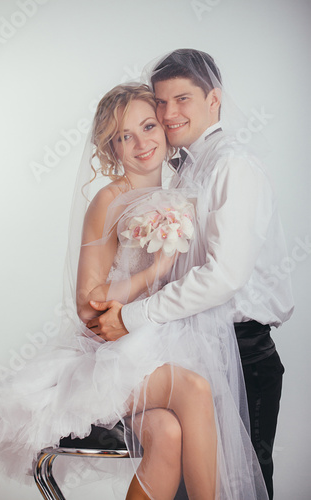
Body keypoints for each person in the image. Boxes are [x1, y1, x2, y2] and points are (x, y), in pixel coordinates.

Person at [0, 83, 268, 500]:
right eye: (124, 137)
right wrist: (152, 272)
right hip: (108, 359)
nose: (141, 143)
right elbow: (87, 304)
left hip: (159, 346)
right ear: (111, 148)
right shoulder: (109, 200)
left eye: (148, 126)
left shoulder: (180, 193)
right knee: (195, 390)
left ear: (165, 128)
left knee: (168, 434)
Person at [87, 49, 294, 500]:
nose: (168, 113)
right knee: (188, 477)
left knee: (241, 482)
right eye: (161, 102)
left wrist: (134, 316)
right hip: (187, 346)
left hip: (242, 351)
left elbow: (224, 277)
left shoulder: (233, 166)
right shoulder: (175, 172)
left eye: (182, 99)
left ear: (214, 100)